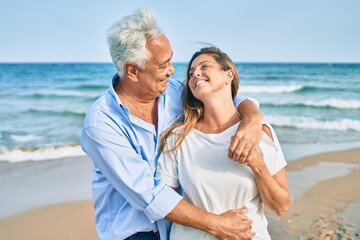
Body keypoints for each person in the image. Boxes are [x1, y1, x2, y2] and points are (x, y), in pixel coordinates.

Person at [81, 9, 263, 240]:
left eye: (171, 59)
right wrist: (217, 224)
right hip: (135, 231)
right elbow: (147, 194)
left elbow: (227, 100)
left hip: (185, 224)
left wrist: (252, 118)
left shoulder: (176, 92)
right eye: (163, 65)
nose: (173, 70)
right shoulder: (101, 123)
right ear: (132, 70)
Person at [157, 46, 290, 240]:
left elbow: (280, 206)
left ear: (229, 75)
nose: (196, 74)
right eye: (191, 73)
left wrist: (257, 164)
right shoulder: (178, 137)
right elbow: (164, 201)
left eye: (204, 67)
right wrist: (216, 223)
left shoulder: (259, 132)